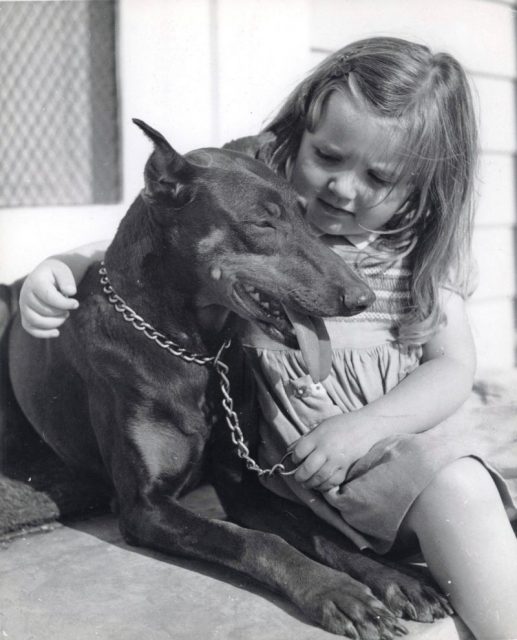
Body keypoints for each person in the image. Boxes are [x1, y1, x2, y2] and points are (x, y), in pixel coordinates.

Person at [18, 37, 517, 639]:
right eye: (329, 157)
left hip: (383, 455)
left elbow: (451, 366)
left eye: (380, 176)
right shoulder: (236, 196)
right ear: (297, 140)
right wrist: (58, 265)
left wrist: (359, 564)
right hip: (297, 474)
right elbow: (147, 512)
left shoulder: (408, 258)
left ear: (418, 189)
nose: (341, 189)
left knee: (465, 504)